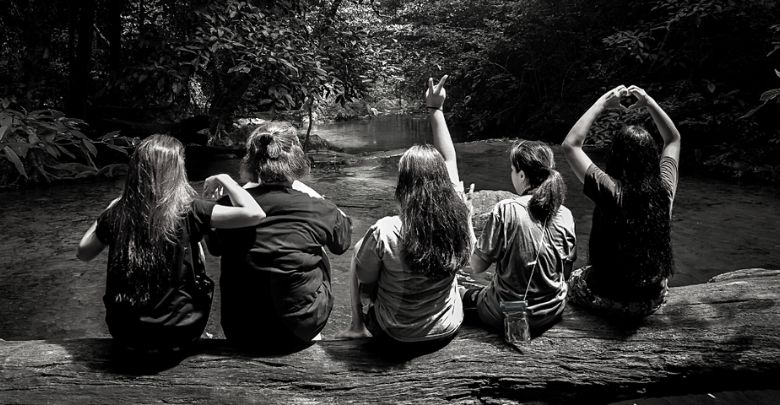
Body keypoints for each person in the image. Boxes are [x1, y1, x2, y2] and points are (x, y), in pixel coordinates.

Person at [77, 134, 266, 352]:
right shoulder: (189, 209)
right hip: (178, 334)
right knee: (194, 244)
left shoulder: (117, 213)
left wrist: (111, 208)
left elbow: (83, 253)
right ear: (176, 171)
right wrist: (227, 179)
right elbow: (254, 214)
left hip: (125, 333)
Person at [338, 75, 473, 350]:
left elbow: (366, 280)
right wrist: (436, 109)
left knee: (360, 252)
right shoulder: (458, 213)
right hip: (446, 329)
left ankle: (356, 326)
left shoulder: (387, 230)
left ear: (404, 186)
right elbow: (449, 159)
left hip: (393, 334)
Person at [209, 123, 352, 352]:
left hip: (241, 331)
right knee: (318, 248)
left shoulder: (230, 205)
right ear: (297, 160)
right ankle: (307, 317)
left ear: (251, 161)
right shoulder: (318, 208)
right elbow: (342, 243)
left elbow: (214, 247)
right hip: (299, 330)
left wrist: (234, 195)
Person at [561, 85, 681, 319]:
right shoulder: (665, 190)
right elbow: (673, 139)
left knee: (574, 278)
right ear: (651, 158)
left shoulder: (609, 190)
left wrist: (603, 103)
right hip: (650, 298)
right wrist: (648, 102)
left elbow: (571, 145)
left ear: (615, 156)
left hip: (608, 296)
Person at [461, 140, 577, 337]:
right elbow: (564, 272)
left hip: (508, 314)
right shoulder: (565, 213)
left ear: (522, 174)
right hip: (553, 310)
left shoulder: (507, 209)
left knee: (461, 293)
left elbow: (477, 266)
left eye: (512, 170)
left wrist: (466, 219)